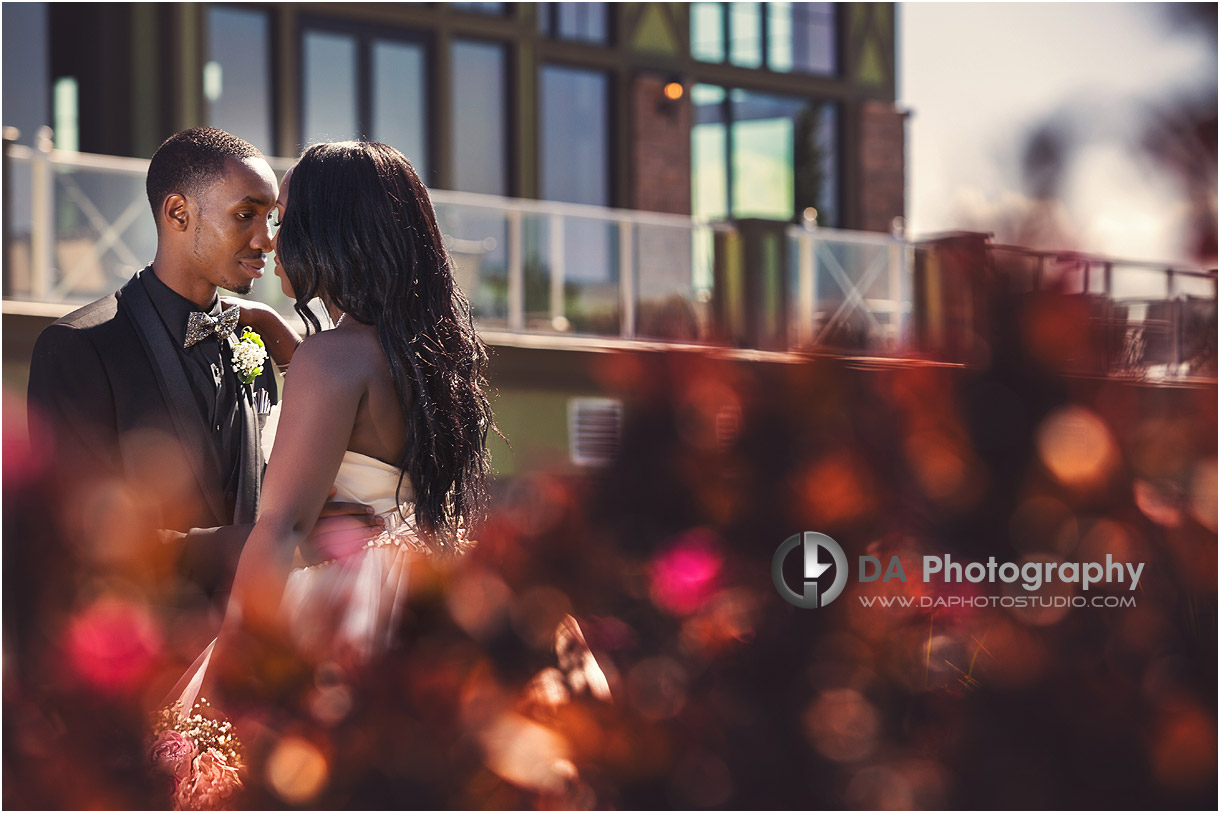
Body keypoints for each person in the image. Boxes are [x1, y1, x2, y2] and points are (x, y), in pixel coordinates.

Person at [25, 127, 379, 602]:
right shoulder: (78, 347)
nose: (267, 240)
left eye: (270, 218)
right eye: (245, 215)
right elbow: (79, 540)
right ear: (178, 213)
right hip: (141, 657)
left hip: (253, 647)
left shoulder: (255, 339)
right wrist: (271, 542)